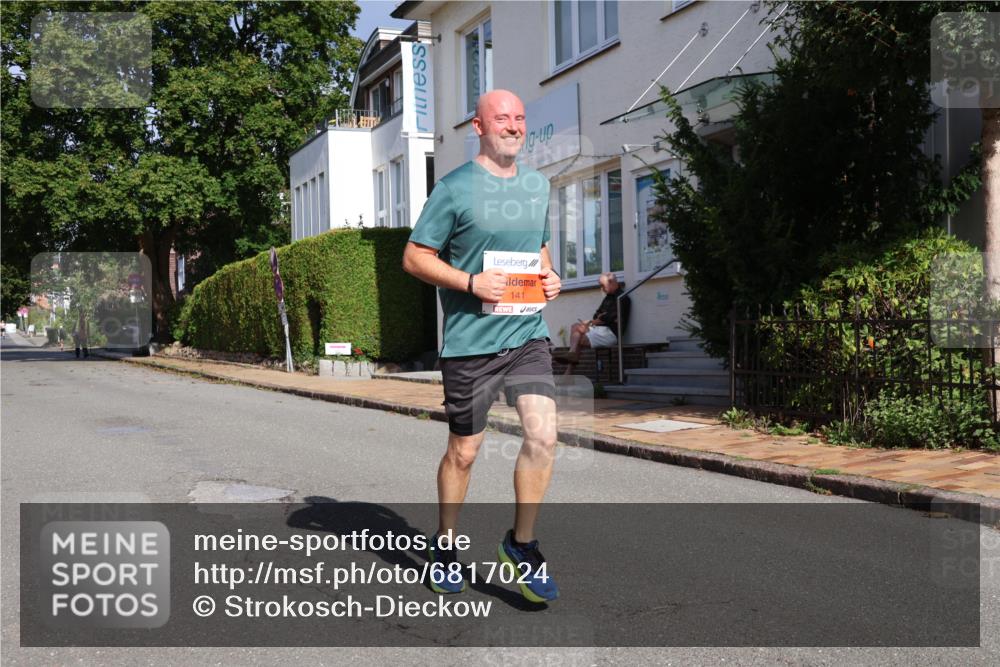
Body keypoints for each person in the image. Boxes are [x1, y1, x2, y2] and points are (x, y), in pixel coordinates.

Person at [402, 89, 562, 603]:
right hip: (471, 344)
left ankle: (523, 545)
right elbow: (414, 257)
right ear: (478, 126)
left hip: (527, 335)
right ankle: (445, 546)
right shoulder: (453, 189)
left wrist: (549, 274)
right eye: (502, 119)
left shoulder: (538, 186)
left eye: (519, 118)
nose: (513, 126)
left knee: (543, 437)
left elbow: (538, 250)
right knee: (464, 452)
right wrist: (470, 283)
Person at [554, 272, 631, 371]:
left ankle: (570, 367)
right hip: (600, 330)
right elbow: (597, 315)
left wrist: (600, 319)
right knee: (576, 327)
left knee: (577, 334)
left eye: (602, 285)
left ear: (611, 282)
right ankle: (571, 357)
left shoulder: (623, 298)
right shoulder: (608, 298)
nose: (601, 289)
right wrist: (600, 319)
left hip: (611, 334)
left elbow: (609, 318)